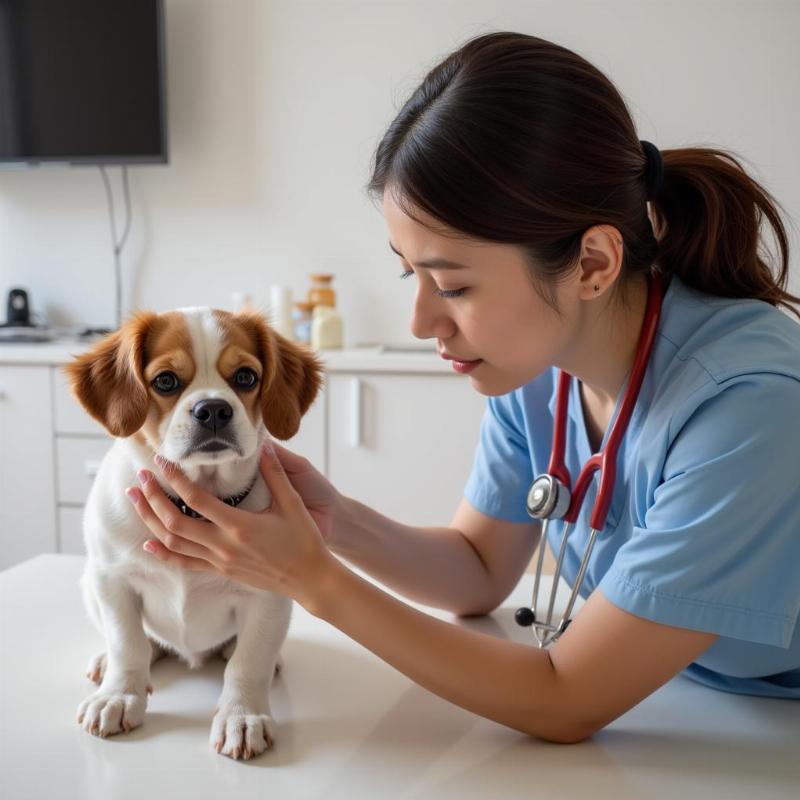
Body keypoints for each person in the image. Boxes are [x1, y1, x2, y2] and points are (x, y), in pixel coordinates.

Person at [125, 31, 800, 743]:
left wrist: (311, 580)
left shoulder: (749, 408)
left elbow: (567, 700)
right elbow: (477, 572)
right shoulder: (541, 370)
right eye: (407, 273)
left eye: (452, 284)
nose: (420, 320)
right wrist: (332, 520)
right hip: (683, 700)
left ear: (593, 264)